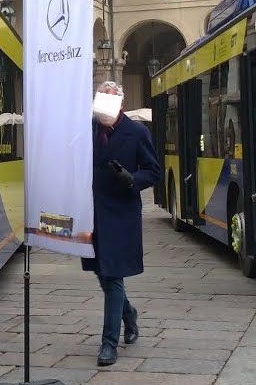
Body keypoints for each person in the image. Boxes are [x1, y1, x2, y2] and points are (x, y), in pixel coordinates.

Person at [81, 81, 160, 366]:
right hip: (92, 213)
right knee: (103, 274)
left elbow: (153, 171)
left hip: (121, 213)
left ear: (121, 105)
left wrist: (132, 179)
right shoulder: (86, 128)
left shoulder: (137, 132)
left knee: (113, 276)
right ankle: (129, 314)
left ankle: (108, 344)